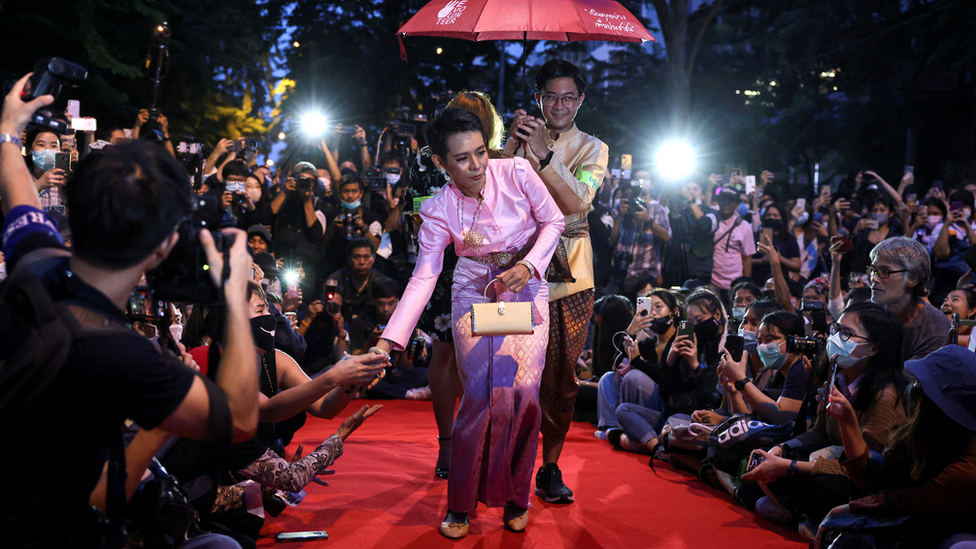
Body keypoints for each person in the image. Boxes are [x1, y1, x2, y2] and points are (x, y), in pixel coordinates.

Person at [0, 75, 260, 547]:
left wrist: (8, 133)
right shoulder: (120, 354)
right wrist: (234, 294)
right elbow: (240, 418)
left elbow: (20, 195)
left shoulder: (35, 264)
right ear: (162, 248)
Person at [375, 108, 564, 538]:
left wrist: (532, 266)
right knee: (478, 396)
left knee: (524, 394)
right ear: (441, 163)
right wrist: (389, 341)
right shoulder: (438, 209)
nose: (476, 165)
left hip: (526, 285)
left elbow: (554, 221)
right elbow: (424, 276)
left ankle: (518, 497)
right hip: (474, 291)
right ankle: (460, 503)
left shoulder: (516, 171)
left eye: (480, 152)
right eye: (462, 158)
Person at [504, 58, 609, 504]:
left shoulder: (594, 148)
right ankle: (507, 461)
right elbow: (493, 193)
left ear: (581, 100)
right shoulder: (521, 135)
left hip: (572, 276)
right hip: (514, 269)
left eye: (568, 97)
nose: (559, 105)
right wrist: (510, 144)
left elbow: (579, 202)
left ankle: (549, 467)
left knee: (562, 375)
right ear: (538, 98)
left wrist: (543, 157)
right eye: (550, 96)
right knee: (509, 368)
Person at [403, 90, 506, 479]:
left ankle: (469, 441)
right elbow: (418, 212)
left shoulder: (499, 160)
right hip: (446, 267)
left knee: (488, 356)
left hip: (492, 271)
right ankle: (451, 444)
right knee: (448, 354)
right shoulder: (426, 159)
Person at [741, 303, 909, 539]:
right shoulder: (836, 377)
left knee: (826, 487)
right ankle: (803, 514)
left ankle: (811, 518)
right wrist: (781, 449)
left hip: (863, 482)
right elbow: (819, 432)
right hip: (830, 458)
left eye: (847, 334)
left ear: (873, 348)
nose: (836, 339)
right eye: (836, 329)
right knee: (766, 458)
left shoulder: (885, 397)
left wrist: (789, 467)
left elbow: (864, 471)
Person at [818, 345, 976, 548]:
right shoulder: (928, 433)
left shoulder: (966, 471)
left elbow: (905, 501)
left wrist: (844, 510)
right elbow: (874, 477)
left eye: (920, 384)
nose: (912, 389)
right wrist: (847, 421)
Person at [867, 237, 949, 361]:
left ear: (913, 279)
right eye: (873, 270)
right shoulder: (867, 311)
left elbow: (913, 379)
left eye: (885, 271)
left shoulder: (934, 326)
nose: (874, 278)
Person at [712, 190, 756, 303]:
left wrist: (745, 285)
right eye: (723, 199)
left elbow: (747, 257)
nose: (726, 203)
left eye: (730, 200)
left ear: (736, 204)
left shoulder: (744, 226)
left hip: (735, 282)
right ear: (718, 201)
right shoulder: (711, 221)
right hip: (712, 282)